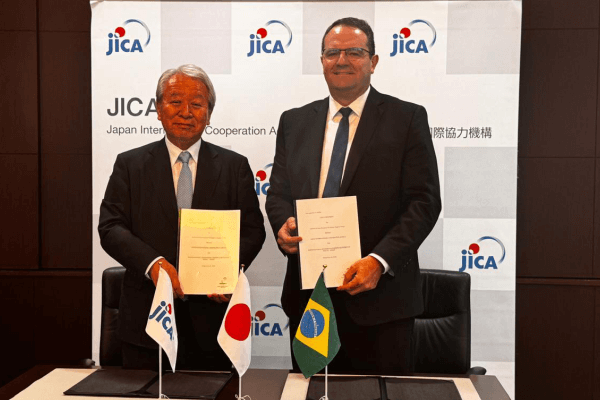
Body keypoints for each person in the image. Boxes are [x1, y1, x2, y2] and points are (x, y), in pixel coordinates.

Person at [265, 18, 441, 375]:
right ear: (322, 61)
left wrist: (379, 261)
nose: (341, 60)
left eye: (354, 52)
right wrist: (282, 225)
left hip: (381, 303)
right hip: (310, 300)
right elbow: (278, 194)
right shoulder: (294, 122)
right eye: (332, 53)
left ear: (373, 61)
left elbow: (423, 202)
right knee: (312, 393)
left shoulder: (406, 118)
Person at [99, 64, 266, 370]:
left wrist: (228, 270)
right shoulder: (130, 165)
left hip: (214, 328)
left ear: (209, 114)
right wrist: (153, 263)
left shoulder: (234, 167)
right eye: (175, 102)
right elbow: (110, 227)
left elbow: (253, 231)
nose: (186, 112)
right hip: (147, 323)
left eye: (197, 104)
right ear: (158, 109)